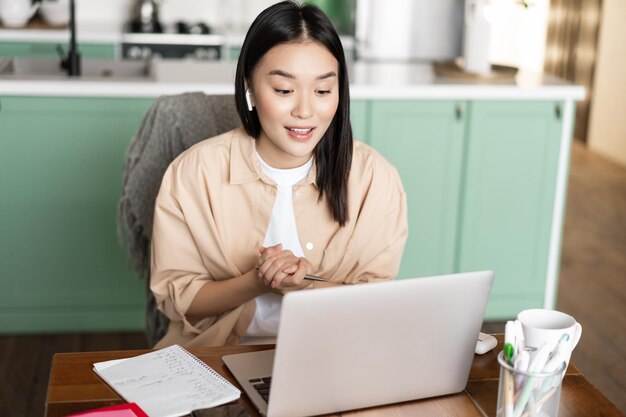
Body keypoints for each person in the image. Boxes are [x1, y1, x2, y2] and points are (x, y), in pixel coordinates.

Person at [150, 0, 408, 348]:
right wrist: (256, 282)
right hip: (217, 356)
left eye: (322, 91)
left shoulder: (374, 178)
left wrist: (306, 287)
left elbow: (375, 302)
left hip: (334, 352)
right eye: (284, 90)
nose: (304, 111)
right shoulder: (193, 174)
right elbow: (179, 300)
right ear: (250, 89)